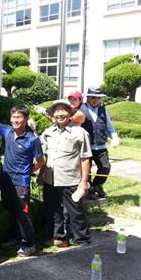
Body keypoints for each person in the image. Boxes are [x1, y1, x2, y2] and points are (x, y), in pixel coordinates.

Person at [0, 102, 45, 256]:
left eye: (19, 117)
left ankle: (29, 244)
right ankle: (15, 238)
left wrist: (28, 172)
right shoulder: (8, 131)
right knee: (11, 210)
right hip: (6, 180)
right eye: (14, 117)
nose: (16, 120)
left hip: (21, 183)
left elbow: (41, 161)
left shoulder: (31, 139)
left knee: (23, 213)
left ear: (26, 118)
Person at [39, 100, 92, 247]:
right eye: (57, 110)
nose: (60, 113)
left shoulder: (80, 132)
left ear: (70, 114)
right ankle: (58, 238)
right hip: (50, 179)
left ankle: (82, 240)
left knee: (76, 212)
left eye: (64, 110)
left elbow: (85, 158)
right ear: (52, 114)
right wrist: (40, 175)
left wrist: (84, 182)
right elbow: (45, 156)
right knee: (53, 210)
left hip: (71, 180)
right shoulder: (48, 132)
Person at [79, 86, 120, 199]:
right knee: (86, 169)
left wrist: (114, 136)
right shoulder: (81, 109)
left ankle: (97, 185)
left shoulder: (103, 109)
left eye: (97, 97)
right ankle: (89, 189)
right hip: (86, 146)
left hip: (101, 145)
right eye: (92, 97)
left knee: (105, 167)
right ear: (87, 97)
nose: (95, 99)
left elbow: (108, 124)